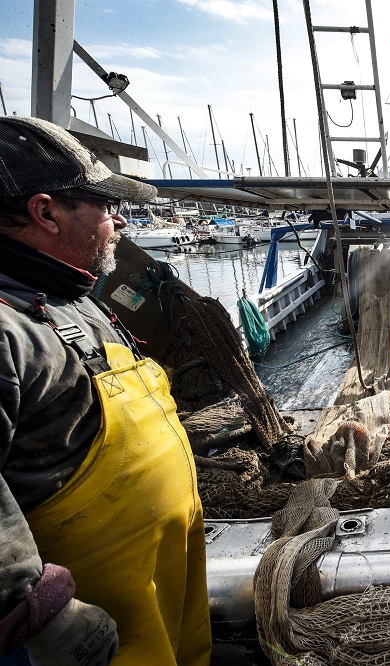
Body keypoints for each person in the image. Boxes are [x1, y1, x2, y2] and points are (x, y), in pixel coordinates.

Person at [0, 117, 211, 665]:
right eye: (104, 204)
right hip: (97, 630)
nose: (119, 220)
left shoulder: (73, 294)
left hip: (160, 592)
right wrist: (42, 614)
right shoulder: (8, 328)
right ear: (45, 212)